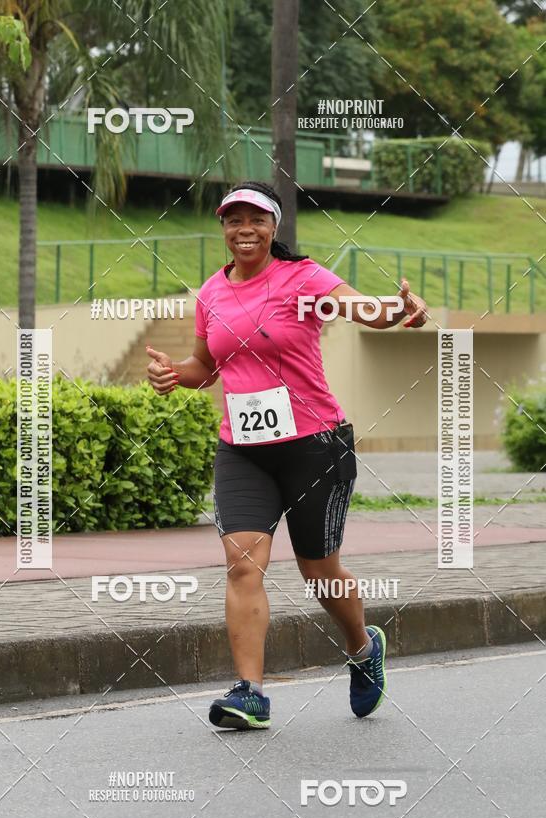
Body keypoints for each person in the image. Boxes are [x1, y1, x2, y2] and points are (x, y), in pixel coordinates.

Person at [146, 180, 428, 730]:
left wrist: (397, 307)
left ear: (274, 226)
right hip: (243, 451)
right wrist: (172, 374)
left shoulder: (303, 278)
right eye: (233, 220)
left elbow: (364, 309)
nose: (244, 229)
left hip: (313, 444)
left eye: (256, 219)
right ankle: (250, 693)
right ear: (223, 228)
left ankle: (362, 646)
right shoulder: (211, 293)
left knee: (319, 572)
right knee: (242, 563)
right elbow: (205, 367)